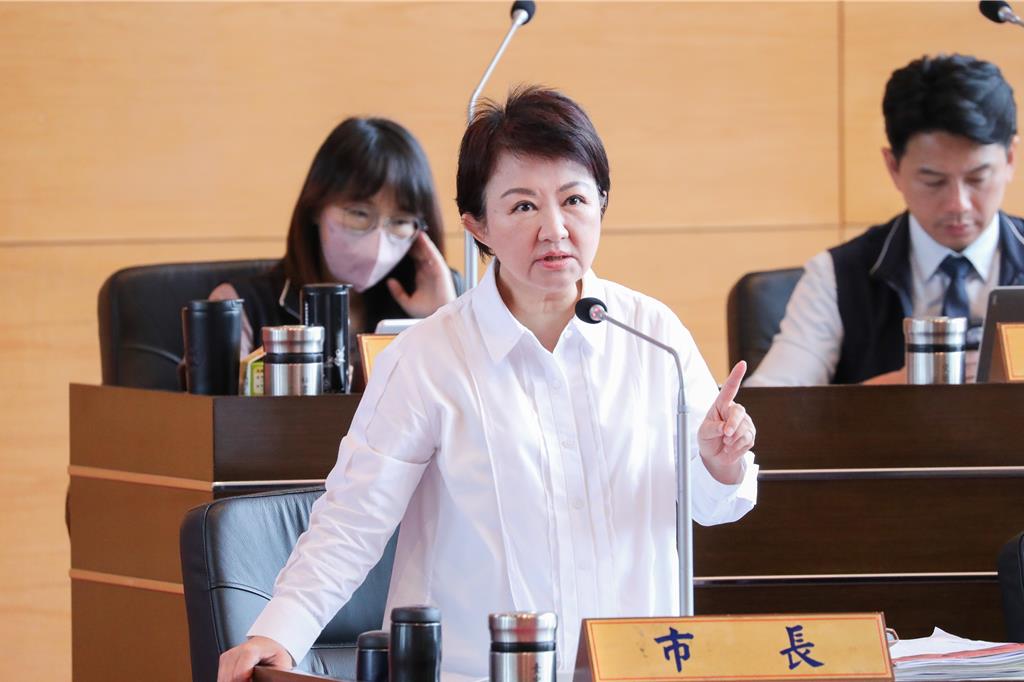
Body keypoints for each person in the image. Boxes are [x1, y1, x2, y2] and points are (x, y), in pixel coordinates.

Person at [217, 87, 759, 682]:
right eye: (523, 206)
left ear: (602, 203)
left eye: (574, 199)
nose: (554, 229)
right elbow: (354, 517)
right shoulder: (427, 357)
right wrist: (279, 634)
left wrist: (720, 462)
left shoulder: (654, 336)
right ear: (478, 225)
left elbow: (715, 507)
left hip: (637, 669)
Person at [747, 54, 1024, 387]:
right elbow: (771, 404)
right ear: (893, 167)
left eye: (978, 178)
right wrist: (892, 391)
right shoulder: (837, 275)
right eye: (934, 181)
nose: (958, 204)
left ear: (1010, 158)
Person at [210, 117, 459, 383]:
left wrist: (443, 319)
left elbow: (474, 403)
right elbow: (218, 407)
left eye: (399, 222)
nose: (377, 244)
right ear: (316, 209)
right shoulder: (239, 308)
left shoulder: (444, 295)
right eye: (359, 214)